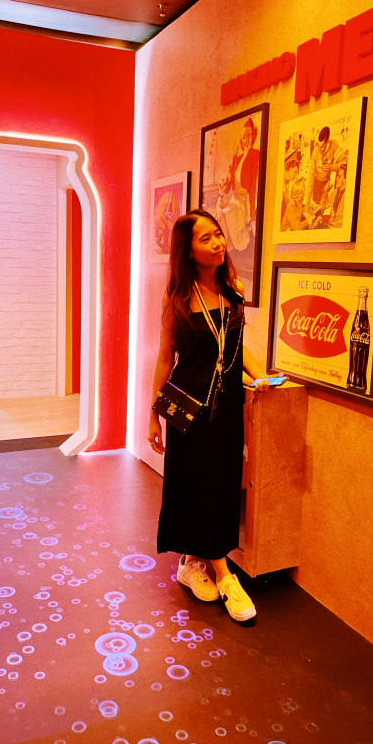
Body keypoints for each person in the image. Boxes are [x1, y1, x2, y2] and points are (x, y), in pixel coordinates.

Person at [148, 210, 273, 623]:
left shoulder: (234, 290)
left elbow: (236, 346)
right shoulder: (177, 300)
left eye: (218, 234)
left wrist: (260, 376)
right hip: (188, 408)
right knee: (195, 483)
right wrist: (153, 415)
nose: (218, 243)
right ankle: (225, 575)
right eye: (206, 238)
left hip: (227, 407)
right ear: (188, 251)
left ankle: (190, 562)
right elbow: (165, 359)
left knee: (219, 485)